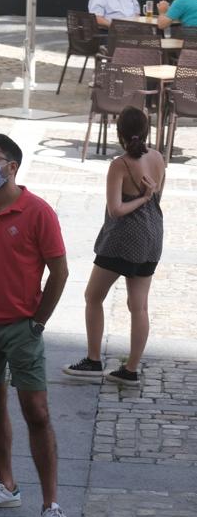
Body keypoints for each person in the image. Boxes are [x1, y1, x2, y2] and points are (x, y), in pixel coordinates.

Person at [0, 134, 77, 517]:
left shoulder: (38, 212)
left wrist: (38, 321)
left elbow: (59, 272)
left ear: (12, 166)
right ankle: (6, 484)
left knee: (37, 412)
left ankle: (51, 504)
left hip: (22, 326)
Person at [64, 107, 164, 388]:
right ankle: (131, 369)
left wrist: (141, 199)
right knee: (139, 306)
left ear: (118, 132)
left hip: (123, 239)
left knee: (93, 296)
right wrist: (147, 198)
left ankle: (94, 360)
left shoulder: (119, 165)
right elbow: (157, 196)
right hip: (153, 235)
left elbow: (116, 209)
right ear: (147, 130)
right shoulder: (158, 157)